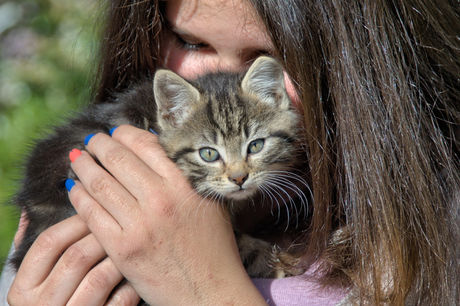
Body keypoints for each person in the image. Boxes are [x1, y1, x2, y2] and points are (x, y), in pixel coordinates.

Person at [1, 0, 458, 304]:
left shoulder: (431, 245)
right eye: (190, 41)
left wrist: (206, 289)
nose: (216, 76)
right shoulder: (100, 186)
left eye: (267, 54)